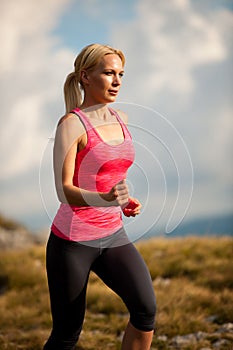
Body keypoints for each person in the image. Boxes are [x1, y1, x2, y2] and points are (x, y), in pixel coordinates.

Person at [43, 43, 156, 350]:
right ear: (85, 77)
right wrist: (106, 198)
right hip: (72, 242)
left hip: (112, 234)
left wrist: (123, 198)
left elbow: (111, 173)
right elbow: (64, 191)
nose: (117, 80)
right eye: (108, 73)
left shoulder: (122, 118)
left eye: (121, 74)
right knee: (66, 335)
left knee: (146, 312)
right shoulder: (71, 124)